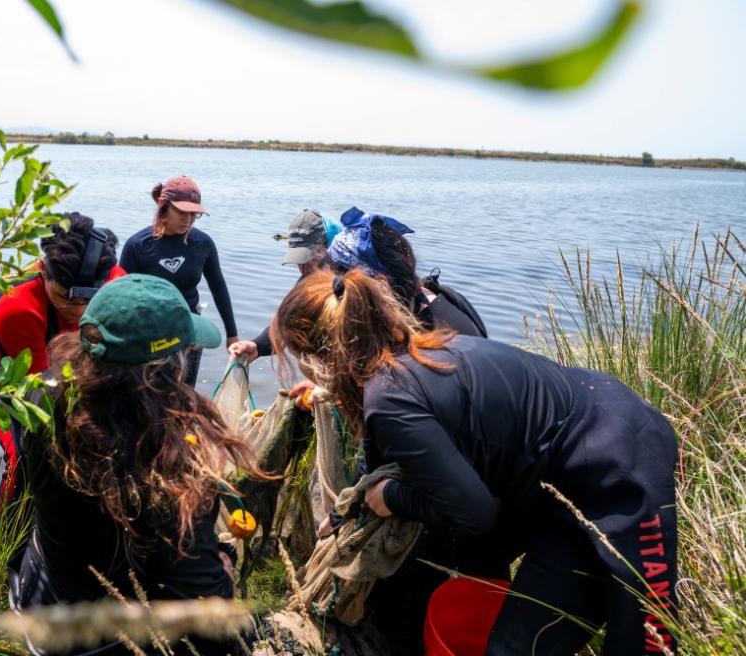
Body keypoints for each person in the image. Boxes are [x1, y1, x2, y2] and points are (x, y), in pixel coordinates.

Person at [270, 269, 678, 655]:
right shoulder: (401, 358)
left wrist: (392, 496)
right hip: (550, 481)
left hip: (620, 457)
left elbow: (475, 514)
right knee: (513, 645)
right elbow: (377, 458)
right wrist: (349, 511)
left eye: (299, 356)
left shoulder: (390, 396)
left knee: (641, 636)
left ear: (323, 354)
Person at [16, 274, 262, 656]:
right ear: (158, 371)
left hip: (37, 602)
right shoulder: (169, 466)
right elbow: (204, 612)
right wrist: (222, 571)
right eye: (184, 351)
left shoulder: (40, 393)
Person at [0, 213, 126, 511]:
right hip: (6, 378)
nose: (80, 312)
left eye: (90, 300)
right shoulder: (17, 306)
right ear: (43, 270)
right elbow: (41, 398)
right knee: (24, 459)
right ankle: (10, 551)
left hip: (71, 362)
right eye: (67, 300)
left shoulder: (116, 281)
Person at [120, 176, 238, 386]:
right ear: (164, 207)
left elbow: (218, 287)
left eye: (194, 214)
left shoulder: (203, 243)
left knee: (184, 396)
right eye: (182, 213)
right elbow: (121, 296)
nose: (189, 220)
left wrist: (232, 334)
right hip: (149, 333)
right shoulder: (137, 245)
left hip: (190, 331)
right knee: (149, 396)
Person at [327, 206, 487, 338]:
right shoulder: (412, 304)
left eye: (342, 286)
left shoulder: (445, 336)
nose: (336, 293)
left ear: (380, 283)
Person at [228, 208, 341, 362]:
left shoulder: (352, 286)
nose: (304, 268)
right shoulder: (306, 284)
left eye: (311, 258)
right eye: (299, 260)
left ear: (331, 250)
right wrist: (256, 346)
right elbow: (284, 327)